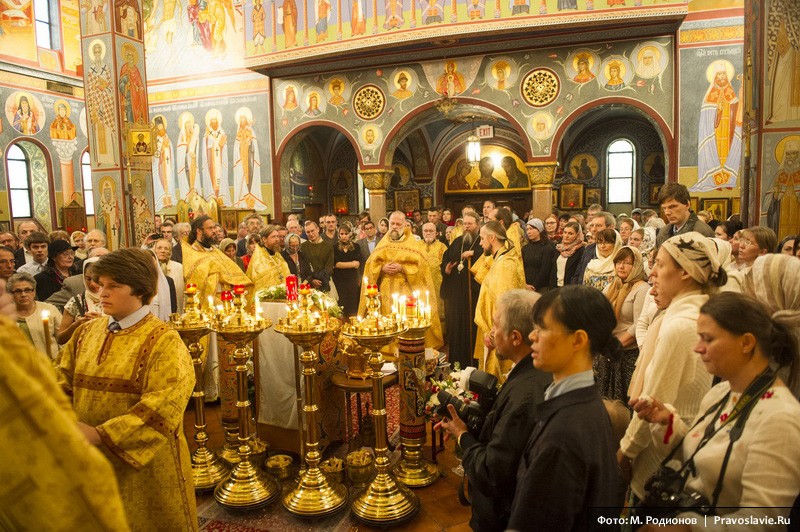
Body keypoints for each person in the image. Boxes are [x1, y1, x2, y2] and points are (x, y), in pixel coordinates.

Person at [57, 248, 197, 529]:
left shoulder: (164, 340)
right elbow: (61, 380)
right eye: (101, 285)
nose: (102, 293)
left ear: (141, 290)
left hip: (147, 469)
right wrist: (57, 419)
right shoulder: (86, 332)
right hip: (89, 458)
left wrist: (99, 434)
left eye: (114, 286)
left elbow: (164, 406)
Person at [630, 293, 800, 525]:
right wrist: (667, 423)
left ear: (746, 343)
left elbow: (764, 522)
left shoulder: (780, 418)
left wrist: (688, 528)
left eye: (708, 339)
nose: (698, 348)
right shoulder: (720, 393)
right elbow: (703, 455)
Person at [619, 232, 727, 505]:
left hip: (664, 453)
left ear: (686, 273)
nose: (653, 272)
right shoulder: (691, 311)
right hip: (678, 440)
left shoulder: (681, 325)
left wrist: (626, 451)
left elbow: (653, 400)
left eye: (661, 264)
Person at [507, 285, 620, 529]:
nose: (532, 336)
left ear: (578, 339)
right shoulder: (584, 400)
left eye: (543, 328)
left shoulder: (564, 434)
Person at [438, 290, 551, 531]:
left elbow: (493, 473)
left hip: (505, 516)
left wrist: (462, 436)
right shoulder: (535, 370)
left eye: (496, 325)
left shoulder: (526, 395)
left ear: (516, 337)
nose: (491, 333)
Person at [359, 211, 443, 348]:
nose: (395, 226)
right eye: (392, 223)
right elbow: (370, 265)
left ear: (405, 225)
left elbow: (421, 268)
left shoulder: (413, 244)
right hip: (385, 293)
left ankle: (406, 351)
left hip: (406, 292)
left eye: (398, 224)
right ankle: (387, 352)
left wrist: (403, 268)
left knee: (404, 323)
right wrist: (381, 268)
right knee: (386, 323)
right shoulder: (383, 243)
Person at [473, 221, 526, 380]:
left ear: (492, 238)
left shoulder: (505, 265)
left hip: (499, 332)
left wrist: (495, 332)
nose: (481, 243)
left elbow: (504, 302)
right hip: (493, 327)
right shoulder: (501, 259)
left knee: (498, 377)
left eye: (482, 239)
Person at [598, 246, 648, 404]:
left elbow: (638, 323)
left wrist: (617, 344)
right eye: (618, 262)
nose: (621, 266)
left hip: (628, 354)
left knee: (624, 401)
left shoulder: (642, 289)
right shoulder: (612, 286)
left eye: (627, 263)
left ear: (637, 265)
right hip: (609, 352)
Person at [441, 212, 481, 369]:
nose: (467, 227)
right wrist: (447, 268)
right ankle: (457, 365)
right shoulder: (457, 241)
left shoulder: (480, 243)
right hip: (457, 294)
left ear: (478, 224)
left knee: (472, 328)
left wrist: (474, 253)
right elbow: (446, 259)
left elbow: (489, 257)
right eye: (465, 224)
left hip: (474, 294)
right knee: (457, 328)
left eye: (470, 224)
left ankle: (474, 364)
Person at [9, 272, 61, 356]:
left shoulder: (50, 309)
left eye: (27, 290)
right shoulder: (5, 315)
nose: (23, 294)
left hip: (50, 363)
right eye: (18, 291)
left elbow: (63, 340)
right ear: (11, 294)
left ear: (34, 291)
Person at [56, 258, 104, 344]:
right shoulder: (76, 302)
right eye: (88, 279)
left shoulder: (114, 300)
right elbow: (60, 339)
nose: (92, 284)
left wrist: (103, 322)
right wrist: (76, 325)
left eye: (96, 279)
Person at [655, 183, 714, 248]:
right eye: (664, 208)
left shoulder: (703, 232)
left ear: (687, 205)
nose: (667, 213)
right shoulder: (663, 232)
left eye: (672, 206)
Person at [572, 212, 615, 284]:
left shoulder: (619, 250)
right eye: (592, 225)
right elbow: (578, 274)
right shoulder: (589, 248)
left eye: (598, 226)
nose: (593, 229)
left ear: (610, 227)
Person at [332, 221, 361, 317]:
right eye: (342, 234)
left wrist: (344, 264)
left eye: (346, 234)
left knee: (353, 305)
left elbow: (357, 264)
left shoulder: (356, 247)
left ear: (350, 234)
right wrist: (351, 263)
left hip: (352, 281)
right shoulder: (334, 247)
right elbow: (337, 264)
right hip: (339, 281)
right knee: (341, 305)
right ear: (339, 234)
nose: (344, 236)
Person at [420, 222, 448, 322]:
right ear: (422, 232)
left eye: (431, 231)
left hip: (438, 285)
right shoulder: (415, 247)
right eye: (425, 231)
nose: (428, 233)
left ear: (436, 233)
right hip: (420, 285)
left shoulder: (442, 247)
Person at [522, 218, 556, 293]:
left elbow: (545, 270)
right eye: (527, 229)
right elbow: (522, 267)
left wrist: (534, 286)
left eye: (531, 229)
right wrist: (524, 284)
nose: (528, 232)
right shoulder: (525, 248)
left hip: (542, 287)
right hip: (526, 286)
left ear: (539, 230)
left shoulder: (547, 247)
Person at [301, 220, 334, 292]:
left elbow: (329, 266)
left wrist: (320, 279)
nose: (311, 234)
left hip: (325, 281)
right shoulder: (302, 247)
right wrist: (312, 280)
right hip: (309, 283)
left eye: (312, 231)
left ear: (318, 229)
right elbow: (303, 267)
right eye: (308, 232)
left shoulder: (328, 246)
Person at [551, 221, 585, 288]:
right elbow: (553, 270)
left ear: (577, 235)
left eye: (570, 233)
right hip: (555, 287)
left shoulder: (581, 250)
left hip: (571, 289)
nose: (566, 236)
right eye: (565, 232)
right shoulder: (559, 248)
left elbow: (579, 273)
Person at [154, 238, 185, 310]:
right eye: (159, 248)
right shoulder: (150, 267)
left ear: (170, 252)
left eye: (166, 249)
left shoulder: (178, 267)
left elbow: (182, 292)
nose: (162, 251)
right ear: (155, 250)